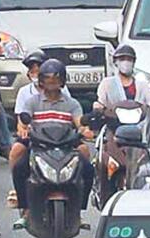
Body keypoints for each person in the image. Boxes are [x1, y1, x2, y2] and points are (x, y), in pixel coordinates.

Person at [7, 58, 91, 215]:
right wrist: (23, 129)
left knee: (86, 159)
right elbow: (22, 122)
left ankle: (79, 209)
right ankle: (23, 204)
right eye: (47, 78)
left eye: (56, 79)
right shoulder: (32, 102)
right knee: (18, 157)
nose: (51, 82)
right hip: (38, 144)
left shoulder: (72, 104)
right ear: (41, 81)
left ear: (62, 81)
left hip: (66, 144)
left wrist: (85, 130)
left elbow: (80, 123)